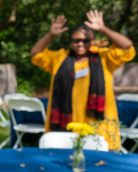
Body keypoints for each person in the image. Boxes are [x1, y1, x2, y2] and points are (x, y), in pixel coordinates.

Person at [30, 10, 135, 150]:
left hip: (97, 121)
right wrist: (50, 35)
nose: (80, 44)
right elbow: (36, 53)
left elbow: (127, 47)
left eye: (86, 41)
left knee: (99, 157)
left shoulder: (104, 57)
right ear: (70, 42)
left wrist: (103, 29)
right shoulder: (59, 58)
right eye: (76, 40)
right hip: (66, 121)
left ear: (92, 41)